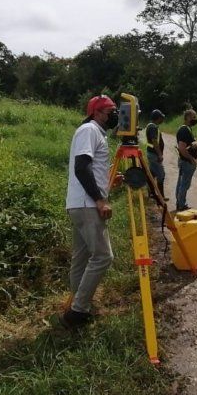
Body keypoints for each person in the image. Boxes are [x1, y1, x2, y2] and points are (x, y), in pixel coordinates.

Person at [62, 95, 119, 329]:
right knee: (104, 256)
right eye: (109, 111)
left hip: (80, 204)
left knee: (81, 258)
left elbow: (91, 169)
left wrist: (107, 182)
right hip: (87, 205)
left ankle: (79, 303)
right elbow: (81, 166)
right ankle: (78, 311)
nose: (114, 115)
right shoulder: (89, 129)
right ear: (96, 113)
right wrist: (99, 199)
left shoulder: (95, 132)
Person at [175, 109, 197, 211]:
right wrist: (191, 159)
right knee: (184, 184)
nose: (195, 119)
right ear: (188, 118)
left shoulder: (186, 129)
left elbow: (188, 144)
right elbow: (182, 148)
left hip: (185, 161)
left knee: (181, 183)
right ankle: (181, 205)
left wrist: (195, 143)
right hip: (187, 162)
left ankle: (179, 202)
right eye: (193, 117)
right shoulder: (184, 130)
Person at [144, 109, 167, 200]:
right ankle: (161, 197)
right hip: (154, 155)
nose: (162, 119)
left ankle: (152, 193)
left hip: (151, 153)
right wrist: (160, 154)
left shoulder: (150, 126)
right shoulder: (153, 127)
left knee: (152, 173)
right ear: (158, 118)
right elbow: (154, 141)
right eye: (161, 117)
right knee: (161, 174)